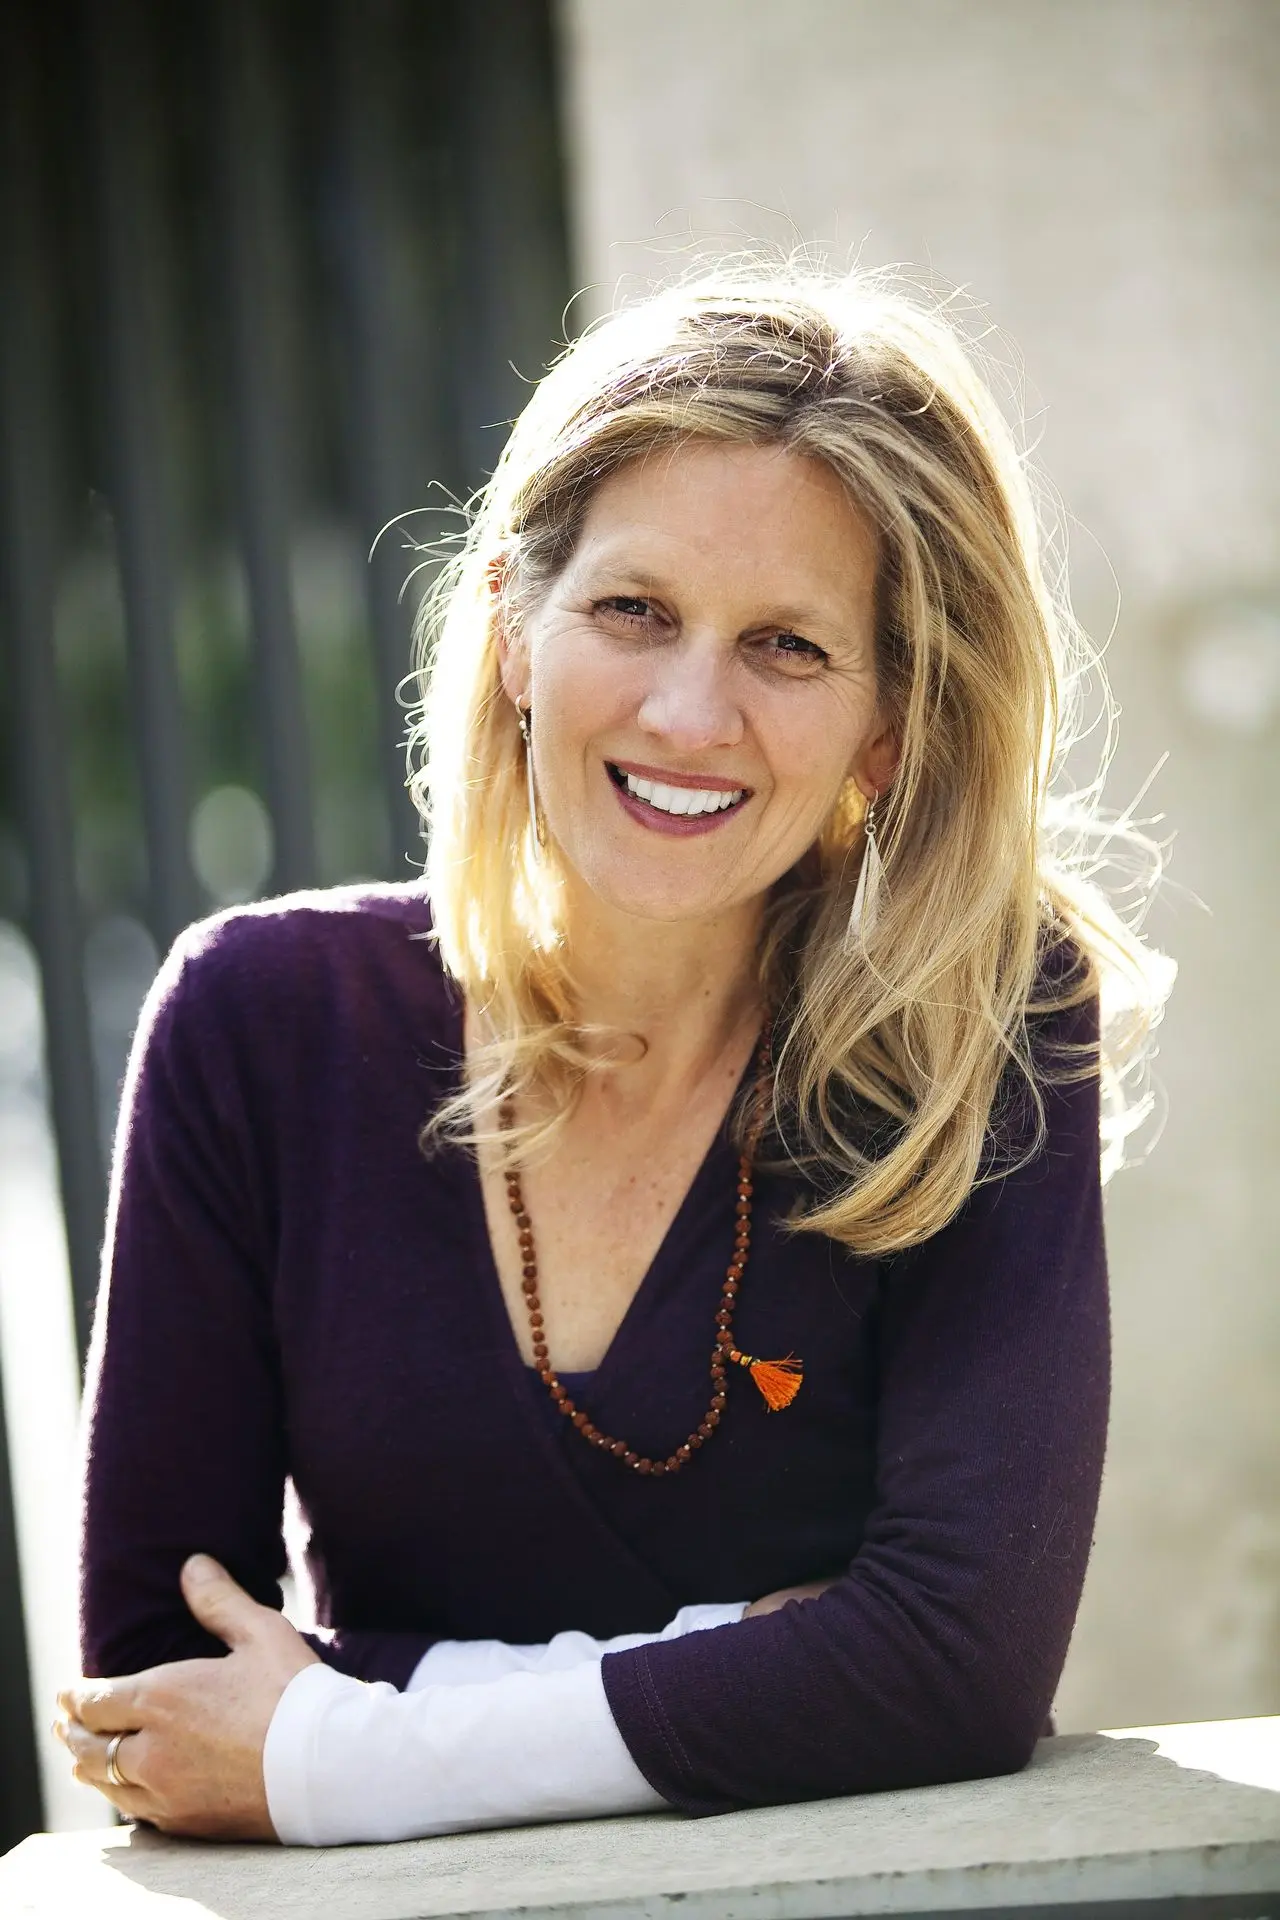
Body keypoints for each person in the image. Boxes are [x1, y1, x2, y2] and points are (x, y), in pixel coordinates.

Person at [56, 265, 1172, 1845]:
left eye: (786, 645)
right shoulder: (257, 1023)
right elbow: (161, 1689)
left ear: (887, 725)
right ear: (515, 629)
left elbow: (958, 1664)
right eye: (633, 611)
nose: (689, 712)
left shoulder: (977, 1024)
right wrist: (763, 1665)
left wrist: (341, 1748)